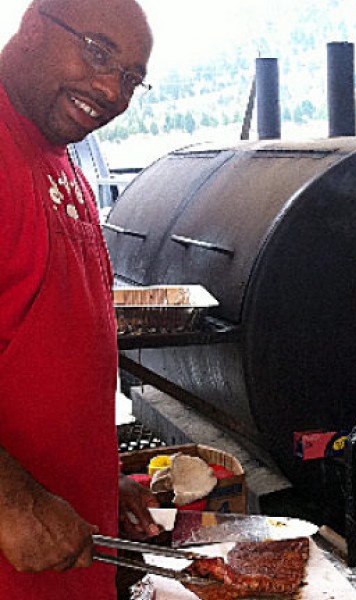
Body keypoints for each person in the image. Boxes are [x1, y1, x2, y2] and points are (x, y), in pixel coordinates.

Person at [0, 0, 160, 597]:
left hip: (70, 548)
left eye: (131, 79)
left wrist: (97, 479)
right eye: (98, 53)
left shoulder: (56, 151)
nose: (112, 91)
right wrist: (13, 502)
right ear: (32, 27)